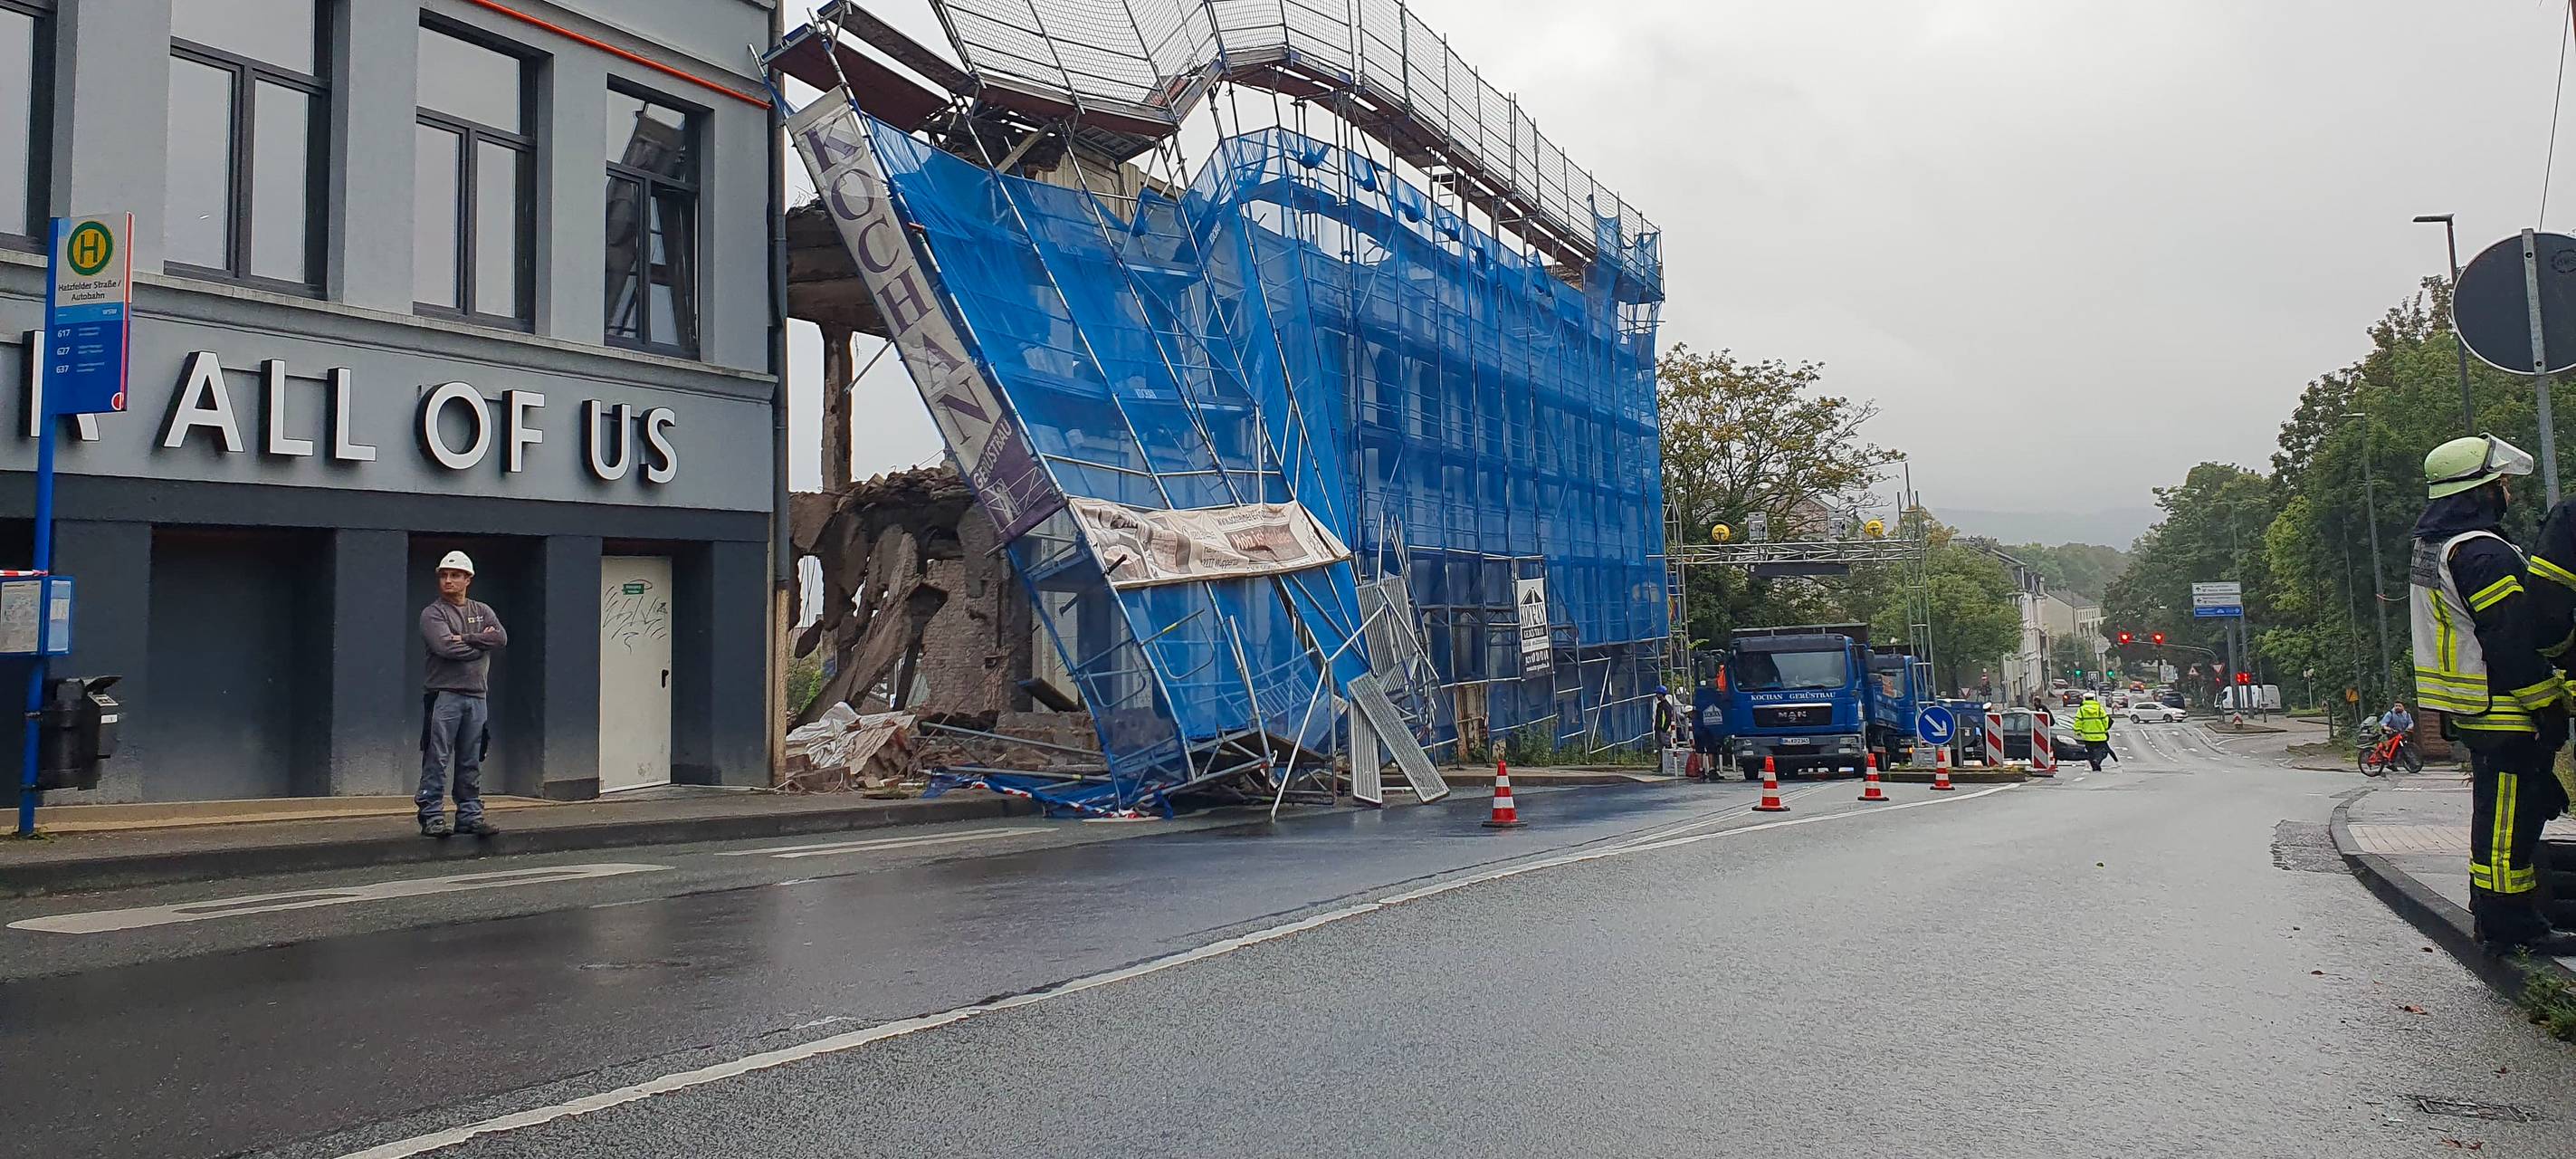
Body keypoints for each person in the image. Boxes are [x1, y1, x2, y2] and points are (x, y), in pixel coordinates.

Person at [2407, 435, 2574, 954]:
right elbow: (2508, 636)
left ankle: (2493, 910)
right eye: (2500, 483)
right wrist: (2547, 701)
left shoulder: (2437, 546)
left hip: (2475, 703)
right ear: (2478, 490)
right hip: (2504, 704)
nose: (2508, 492)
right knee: (2509, 822)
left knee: (2502, 813)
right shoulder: (2481, 552)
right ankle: (2512, 928)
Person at [418, 551, 508, 838]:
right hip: (443, 695)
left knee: (471, 758)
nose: (448, 580)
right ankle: (431, 815)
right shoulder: (433, 613)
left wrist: (467, 638)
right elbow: (446, 648)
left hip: (477, 696)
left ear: (468, 579)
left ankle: (470, 815)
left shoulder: (482, 610)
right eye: (444, 575)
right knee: (437, 757)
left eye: (455, 575)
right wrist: (481, 645)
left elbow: (500, 638)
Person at [2376, 701, 2421, 773]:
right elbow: (2384, 723)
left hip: (2402, 733)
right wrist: (2385, 727)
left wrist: (2409, 728)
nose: (2397, 707)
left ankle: (2410, 763)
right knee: (2394, 748)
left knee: (2405, 747)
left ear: (2403, 707)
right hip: (2392, 733)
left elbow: (2411, 723)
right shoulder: (2390, 713)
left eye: (2399, 706)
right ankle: (2390, 762)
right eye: (2396, 706)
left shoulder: (2407, 715)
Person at [2073, 692, 2113, 771]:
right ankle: (2097, 761)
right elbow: (2105, 719)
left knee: (2090, 752)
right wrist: (2105, 729)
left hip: (2088, 736)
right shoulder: (2099, 708)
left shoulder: (2082, 709)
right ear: (2093, 699)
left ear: (2085, 699)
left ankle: (2094, 765)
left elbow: (2078, 721)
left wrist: (2077, 731)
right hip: (2100, 735)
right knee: (2101, 751)